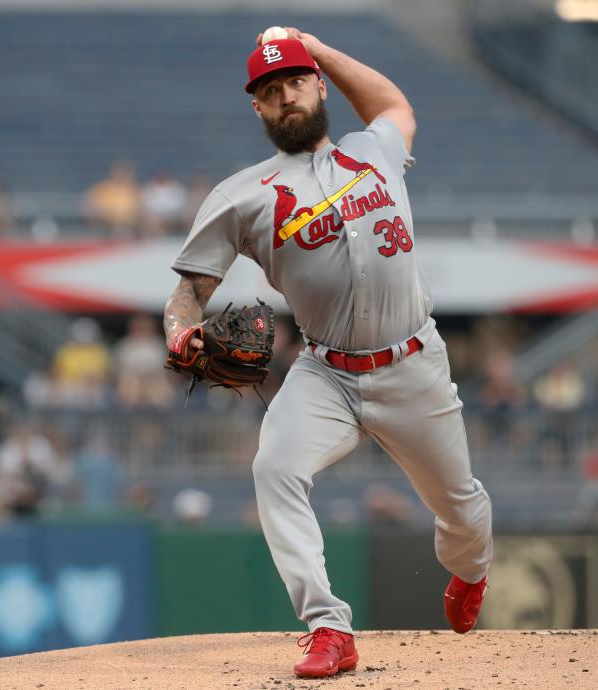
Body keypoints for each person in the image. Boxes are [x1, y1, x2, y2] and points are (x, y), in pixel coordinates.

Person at [162, 31, 492, 678]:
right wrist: (181, 333)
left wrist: (318, 47)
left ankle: (470, 572)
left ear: (317, 85)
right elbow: (188, 293)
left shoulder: (373, 152)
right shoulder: (241, 195)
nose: (285, 96)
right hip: (326, 373)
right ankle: (327, 627)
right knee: (274, 468)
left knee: (463, 511)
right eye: (269, 91)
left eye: (295, 81)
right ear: (256, 108)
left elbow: (396, 105)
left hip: (414, 365)